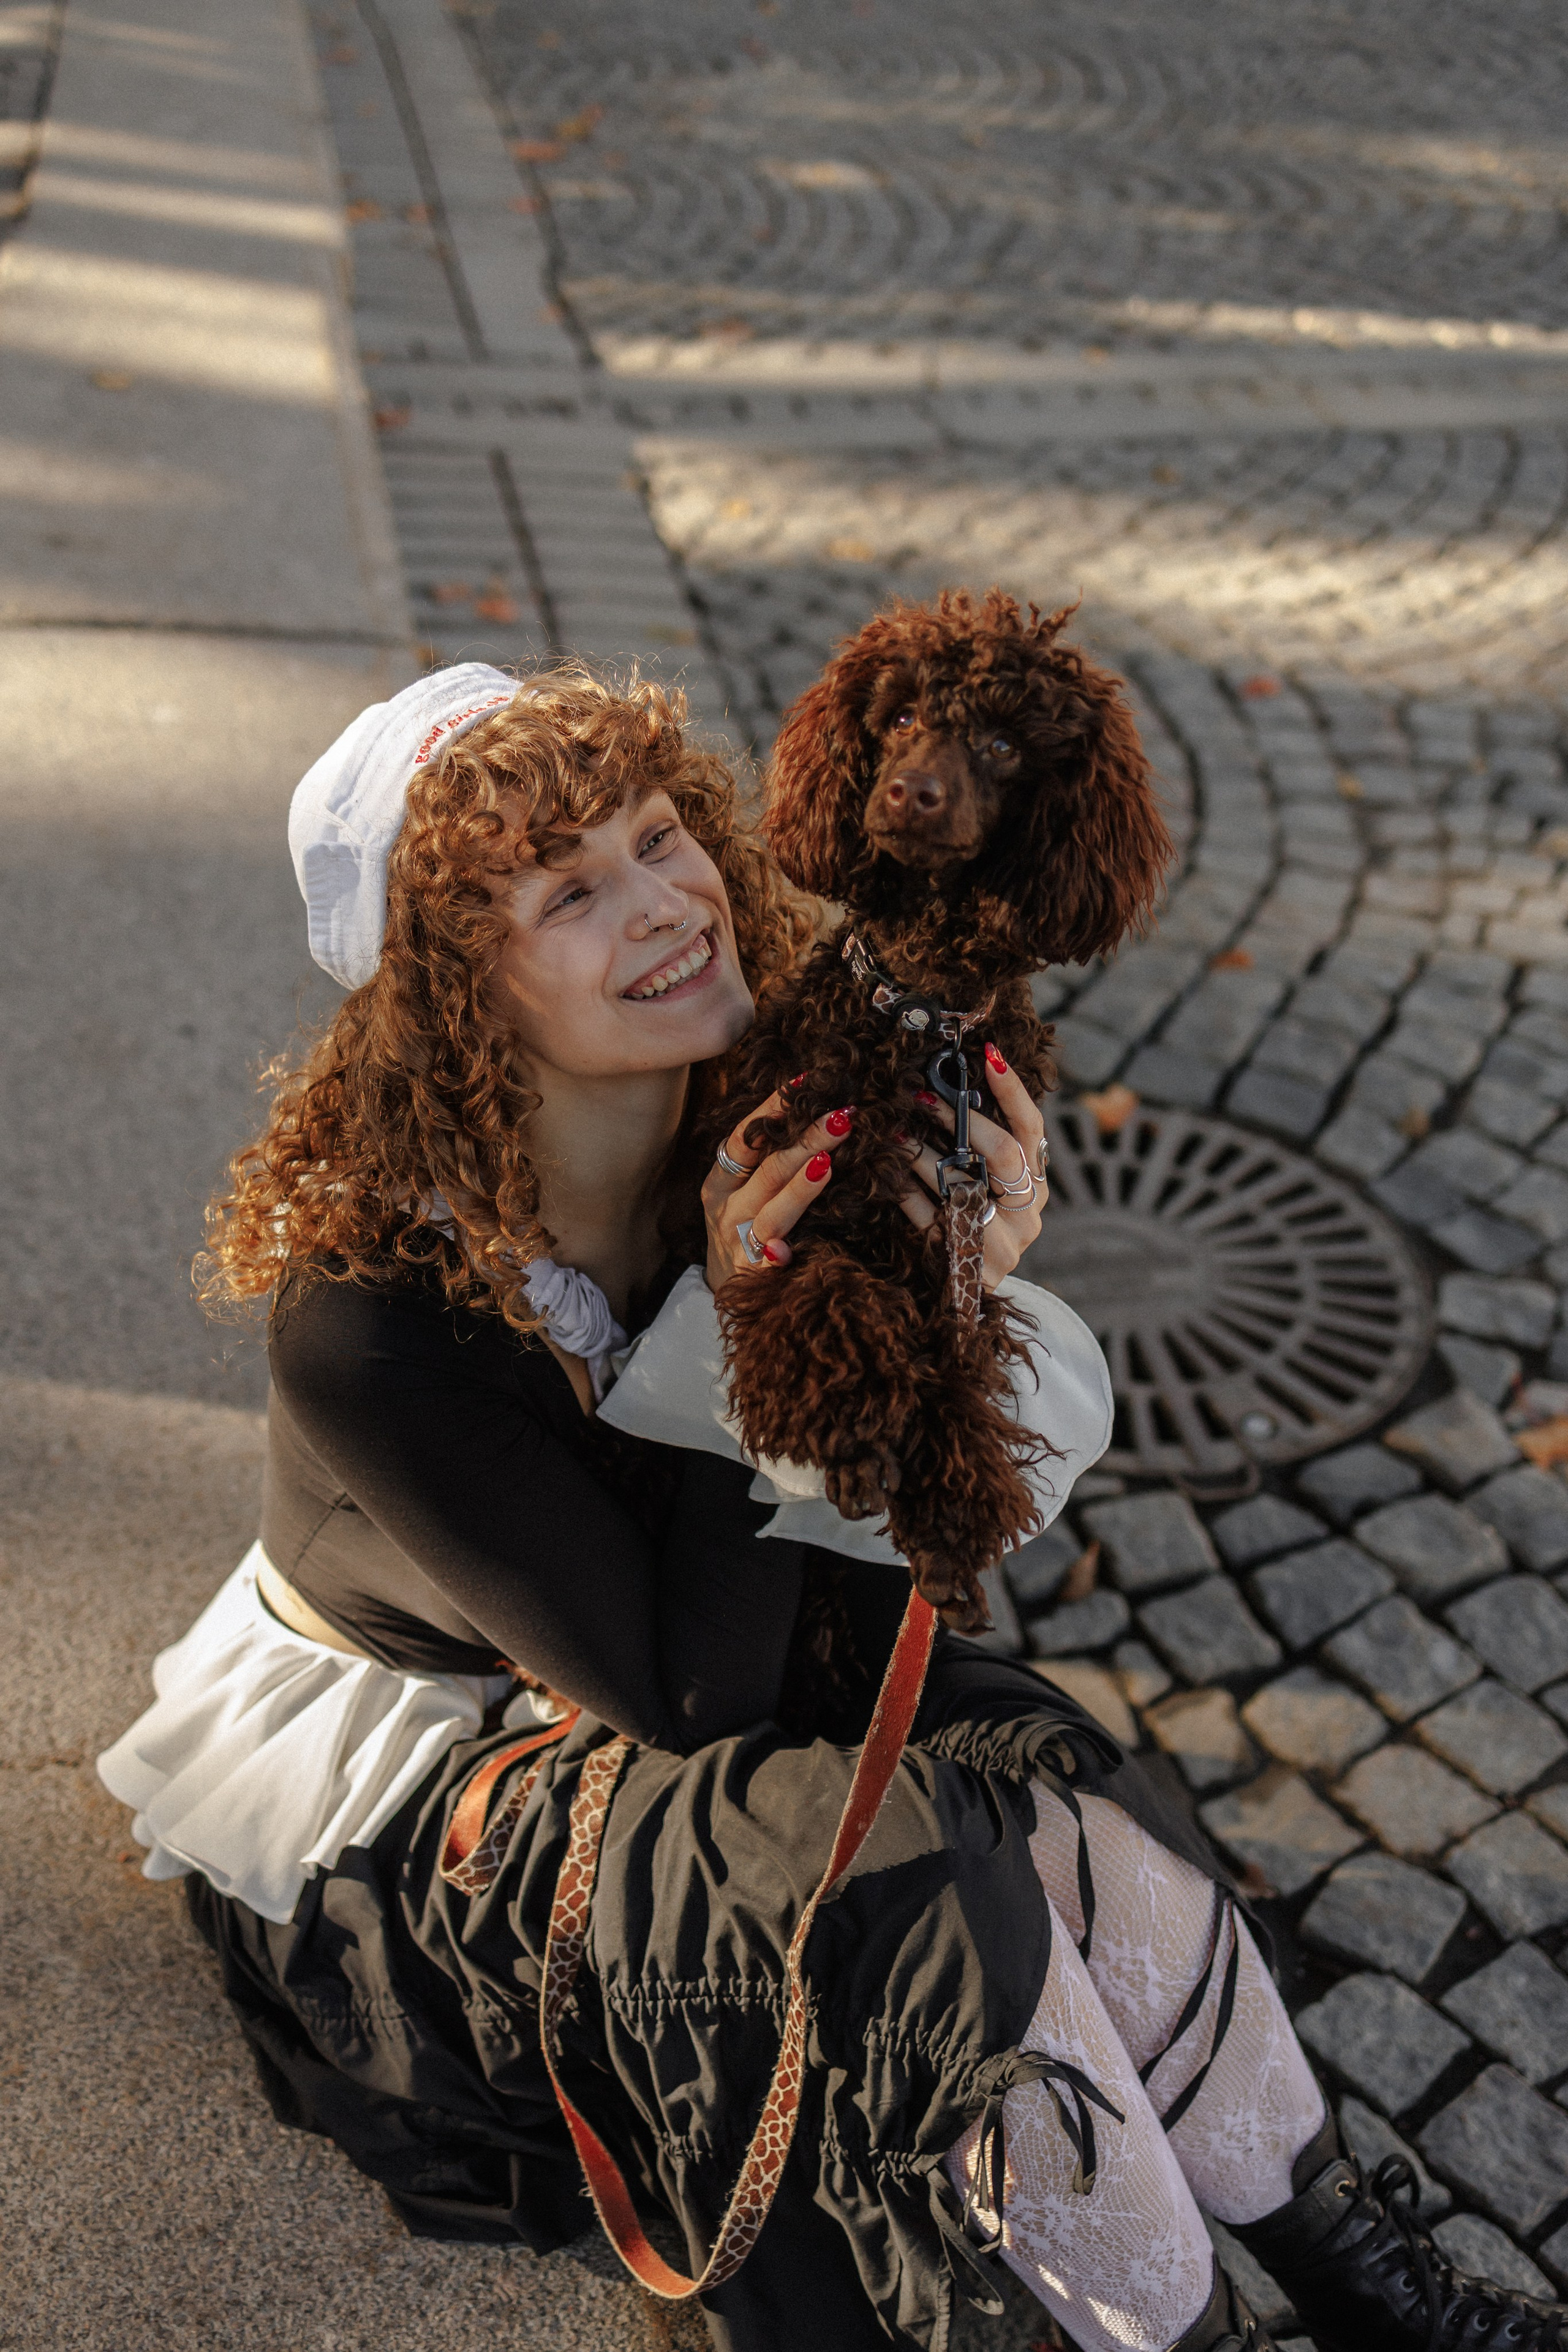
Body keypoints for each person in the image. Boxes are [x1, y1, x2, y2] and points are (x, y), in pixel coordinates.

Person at [100, 663, 1566, 2352]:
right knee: (899, 1873)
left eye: (660, 837)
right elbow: (691, 1698)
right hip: (457, 1789)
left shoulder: (767, 1115)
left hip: (697, 1648)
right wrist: (751, 1328)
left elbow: (861, 1609)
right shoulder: (366, 1318)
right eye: (569, 892)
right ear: (456, 991)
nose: (667, 906)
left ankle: (1376, 2295)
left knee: (1052, 1798)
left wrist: (936, 1306)